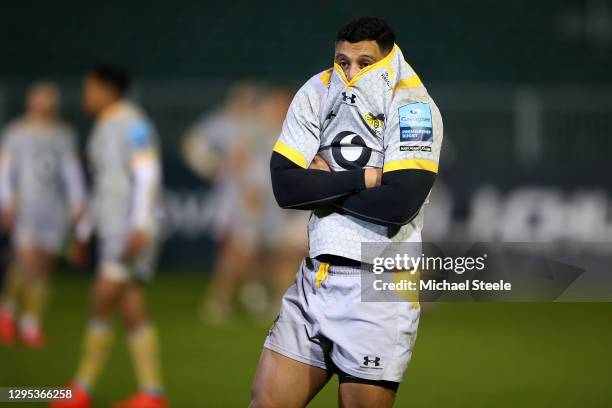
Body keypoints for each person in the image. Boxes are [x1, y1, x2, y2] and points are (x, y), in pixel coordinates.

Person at [250, 17, 443, 408]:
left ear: (387, 59)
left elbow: (398, 205)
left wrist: (323, 188)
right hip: (315, 278)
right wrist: (362, 178)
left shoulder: (413, 106)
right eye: (343, 61)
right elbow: (285, 187)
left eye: (364, 62)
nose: (351, 72)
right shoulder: (318, 90)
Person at [51, 66, 168, 408]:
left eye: (89, 89)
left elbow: (147, 173)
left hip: (128, 229)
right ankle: (152, 393)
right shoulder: (107, 125)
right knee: (131, 305)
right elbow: (104, 186)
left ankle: (81, 387)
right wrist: (85, 231)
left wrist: (140, 225)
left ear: (107, 90)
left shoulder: (132, 123)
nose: (85, 96)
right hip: (116, 227)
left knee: (101, 298)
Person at [0, 81, 86, 348]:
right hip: (25, 207)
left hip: (54, 210)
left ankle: (25, 319)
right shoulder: (15, 133)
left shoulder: (64, 135)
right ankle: (15, 316)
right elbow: (5, 170)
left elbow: (71, 172)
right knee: (28, 262)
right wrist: (5, 202)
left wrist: (77, 202)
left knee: (44, 266)